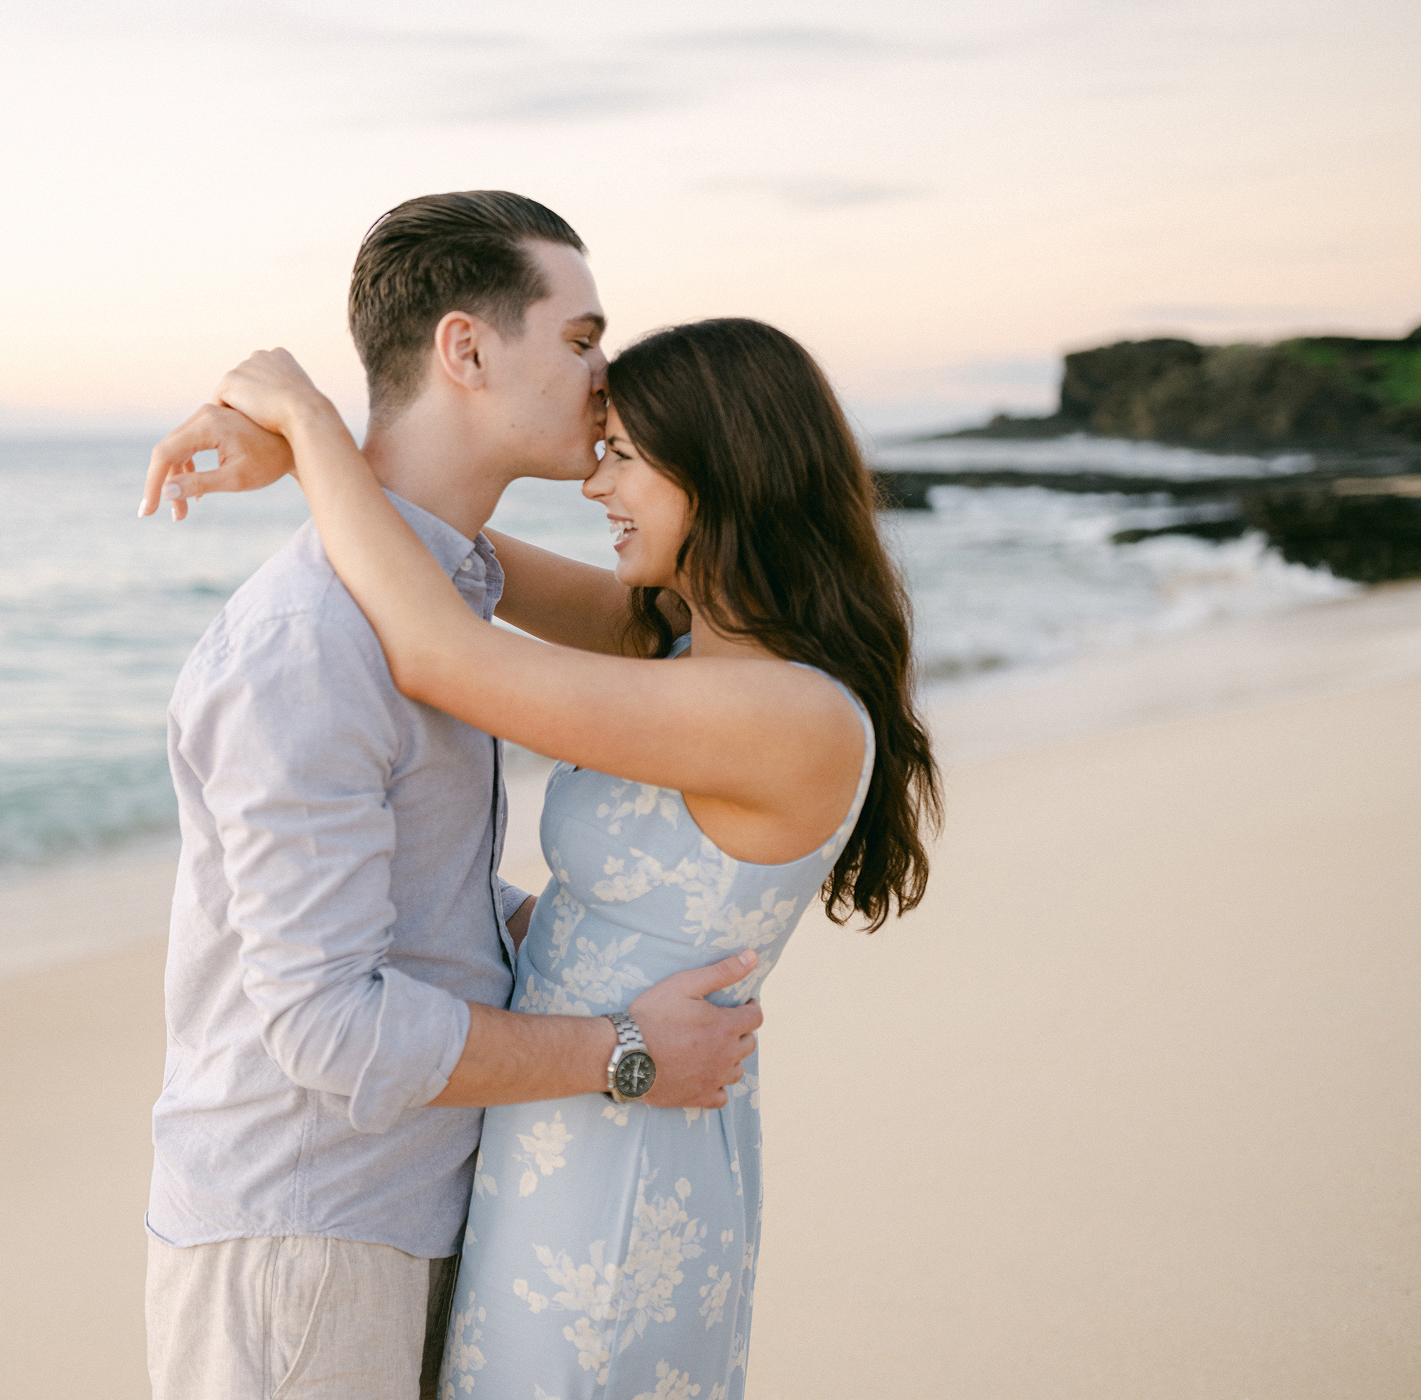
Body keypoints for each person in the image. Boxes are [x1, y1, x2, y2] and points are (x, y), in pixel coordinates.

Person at [159, 317, 941, 1398]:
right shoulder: (677, 642)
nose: (594, 482)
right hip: (561, 1113)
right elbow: (442, 548)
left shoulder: (782, 710)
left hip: (619, 1152)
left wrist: (308, 417)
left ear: (721, 467)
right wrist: (315, 465)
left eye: (624, 454)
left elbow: (442, 648)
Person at [135, 192, 764, 1400]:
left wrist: (532, 924)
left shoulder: (442, 593)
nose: (604, 380)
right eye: (580, 341)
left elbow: (410, 893)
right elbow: (324, 1023)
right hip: (308, 1234)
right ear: (466, 349)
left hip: (412, 1206)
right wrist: (623, 1052)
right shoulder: (311, 641)